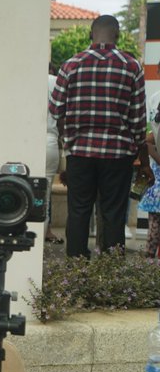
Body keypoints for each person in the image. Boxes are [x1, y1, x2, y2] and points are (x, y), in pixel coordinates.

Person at [49, 15, 150, 257]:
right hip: (118, 156)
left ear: (90, 35)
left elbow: (55, 110)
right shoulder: (131, 66)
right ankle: (110, 272)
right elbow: (138, 122)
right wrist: (144, 161)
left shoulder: (71, 65)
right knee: (113, 214)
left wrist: (70, 139)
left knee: (79, 211)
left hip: (80, 154)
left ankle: (76, 271)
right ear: (117, 36)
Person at [44, 64, 63, 244]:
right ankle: (42, 235)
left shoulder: (20, 81)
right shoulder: (55, 82)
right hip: (49, 139)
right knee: (44, 194)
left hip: (22, 140)